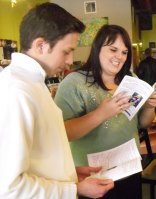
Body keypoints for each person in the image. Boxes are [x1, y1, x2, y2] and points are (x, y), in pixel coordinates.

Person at [0, 3, 114, 198]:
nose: (70, 60)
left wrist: (69, 174)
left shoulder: (33, 82)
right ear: (40, 45)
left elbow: (39, 154)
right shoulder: (16, 91)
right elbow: (9, 187)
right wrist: (73, 189)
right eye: (66, 51)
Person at [55, 24, 156, 199]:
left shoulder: (131, 79)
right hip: (92, 176)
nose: (119, 57)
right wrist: (101, 113)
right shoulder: (74, 82)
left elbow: (143, 123)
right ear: (97, 49)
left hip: (129, 169)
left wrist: (150, 106)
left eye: (124, 52)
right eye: (113, 49)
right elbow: (62, 132)